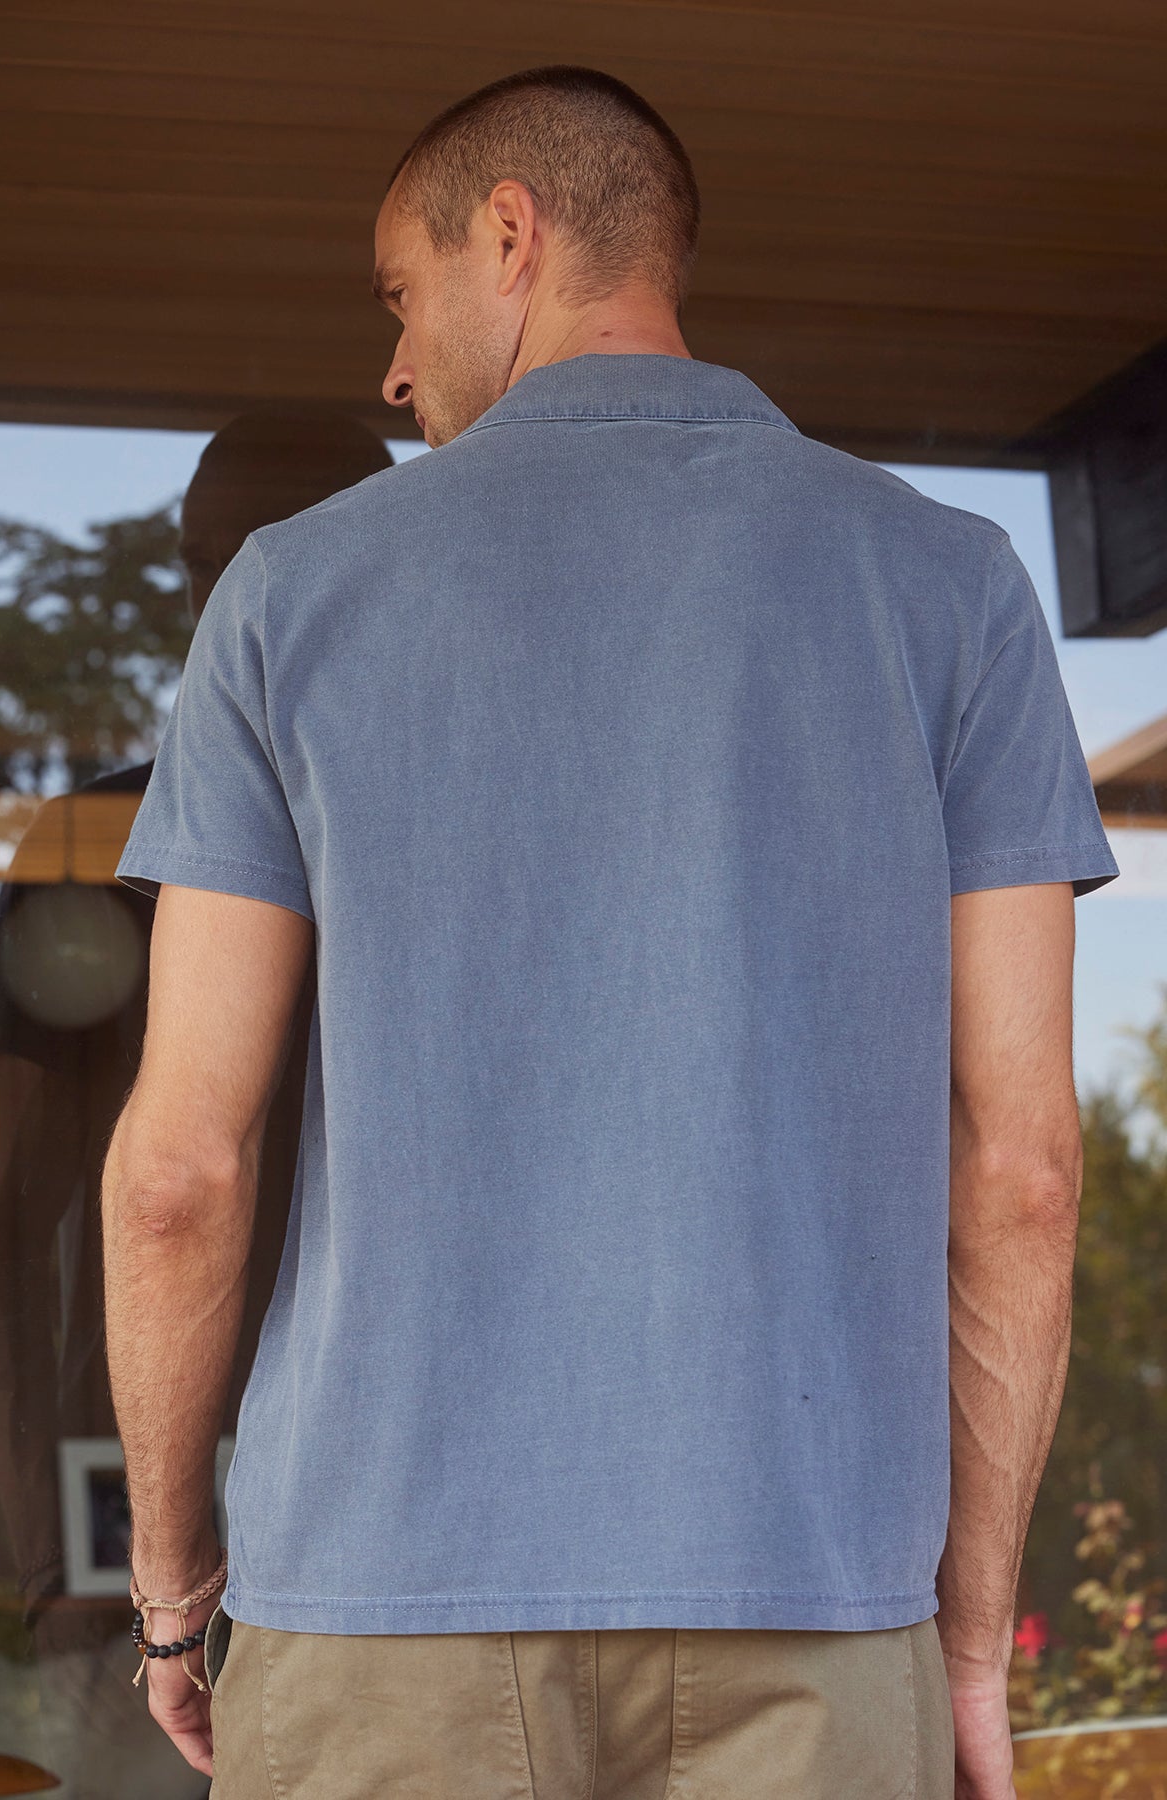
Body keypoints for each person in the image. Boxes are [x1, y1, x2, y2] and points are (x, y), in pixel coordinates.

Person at [104, 64, 1120, 1800]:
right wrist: (963, 1634)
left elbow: (180, 1173)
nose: (393, 367)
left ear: (513, 237)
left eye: (401, 297)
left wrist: (177, 1586)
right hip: (816, 1610)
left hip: (373, 1610)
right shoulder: (951, 588)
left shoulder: (287, 597)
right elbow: (1020, 1164)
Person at [0, 405, 391, 1799]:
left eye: (267, 554)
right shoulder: (99, 846)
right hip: (154, 1530)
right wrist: (58, 1550)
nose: (238, 597)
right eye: (213, 562)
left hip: (375, 1546)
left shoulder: (439, 841)